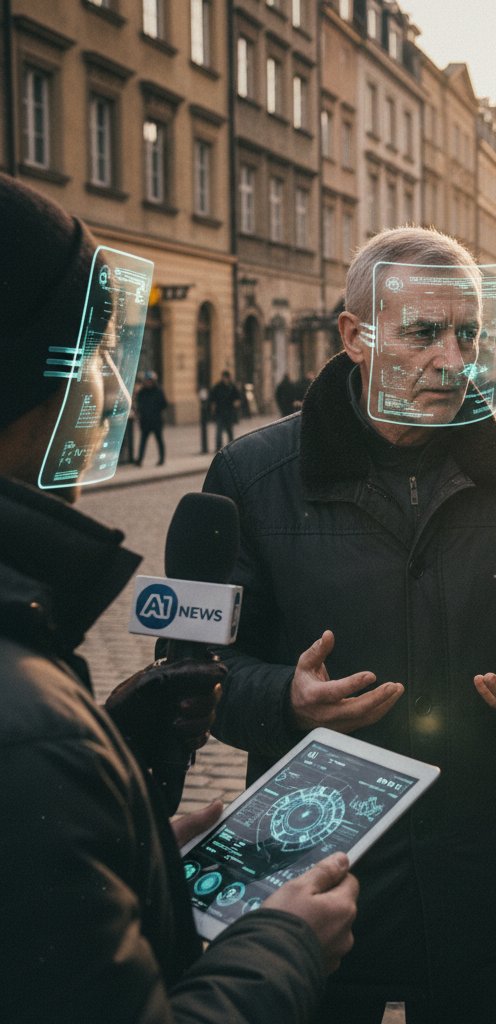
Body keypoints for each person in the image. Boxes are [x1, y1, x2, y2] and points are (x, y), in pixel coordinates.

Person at [202, 226, 496, 1024]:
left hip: (476, 855)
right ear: (356, 336)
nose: (453, 361)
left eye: (468, 335)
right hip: (318, 866)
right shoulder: (253, 475)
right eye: (423, 333)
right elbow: (201, 670)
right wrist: (284, 697)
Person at [0, 173, 359, 1022]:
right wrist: (282, 945)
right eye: (91, 359)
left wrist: (124, 840)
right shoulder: (31, 731)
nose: (112, 393)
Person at [134, 370, 168, 466]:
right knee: (143, 442)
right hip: (145, 421)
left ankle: (161, 459)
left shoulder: (158, 391)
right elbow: (138, 404)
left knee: (159, 440)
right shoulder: (142, 392)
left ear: (153, 381)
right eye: (147, 381)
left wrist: (156, 410)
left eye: (150, 381)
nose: (148, 383)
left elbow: (164, 404)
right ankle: (139, 460)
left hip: (156, 421)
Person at [209, 369, 242, 450]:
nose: (225, 379)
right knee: (219, 431)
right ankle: (218, 447)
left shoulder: (232, 387)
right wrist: (213, 409)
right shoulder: (218, 387)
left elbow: (238, 398)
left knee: (230, 431)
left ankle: (231, 447)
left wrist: (236, 404)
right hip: (220, 412)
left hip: (229, 412)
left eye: (226, 377)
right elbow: (212, 398)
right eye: (224, 377)